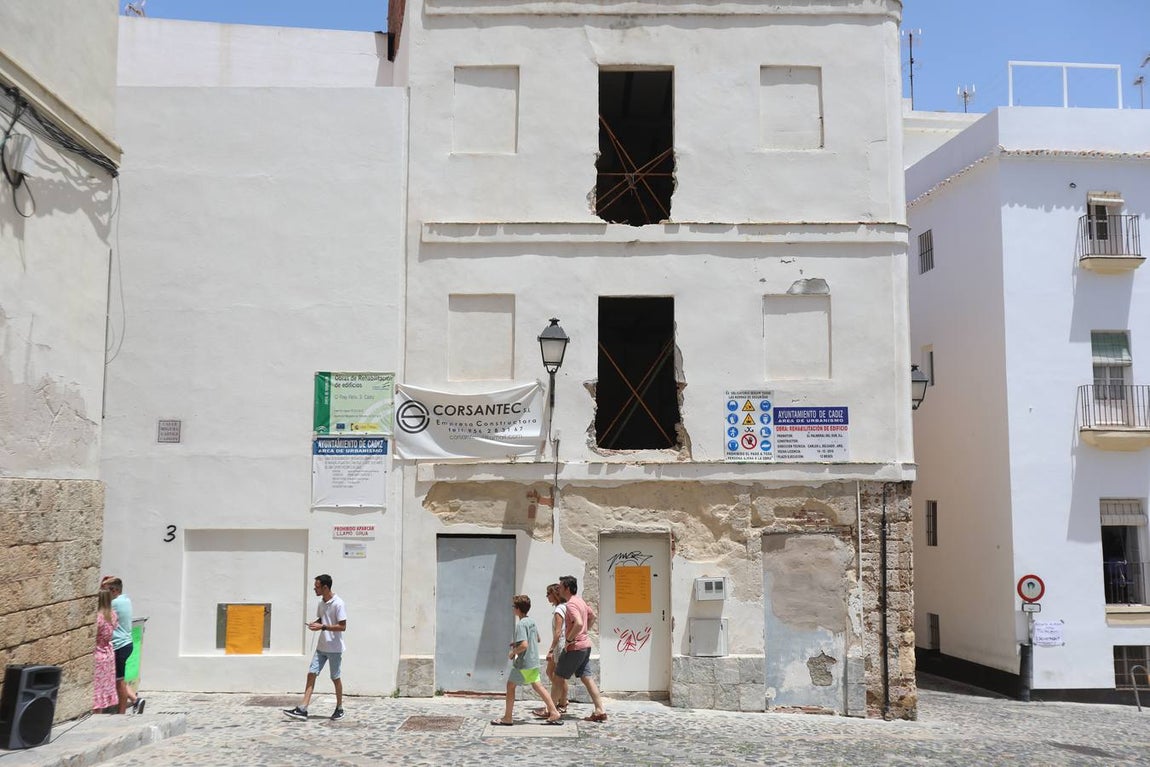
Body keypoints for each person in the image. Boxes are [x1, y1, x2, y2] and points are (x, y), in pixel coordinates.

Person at [283, 574, 348, 721]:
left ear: (325, 587)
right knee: (311, 674)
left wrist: (323, 626)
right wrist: (316, 624)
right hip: (321, 647)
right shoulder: (321, 603)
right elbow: (322, 619)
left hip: (335, 648)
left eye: (317, 586)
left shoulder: (339, 603)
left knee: (335, 677)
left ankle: (339, 708)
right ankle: (303, 708)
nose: (314, 589)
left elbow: (343, 626)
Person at [491, 595, 562, 726]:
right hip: (533, 660)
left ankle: (507, 718)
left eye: (514, 607)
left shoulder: (521, 624)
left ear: (518, 609)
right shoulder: (531, 622)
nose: (513, 609)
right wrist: (516, 644)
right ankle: (554, 712)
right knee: (538, 686)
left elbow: (524, 645)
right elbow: (537, 639)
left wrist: (513, 652)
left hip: (524, 663)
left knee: (510, 686)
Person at [554, 575, 607, 722]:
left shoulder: (570, 604)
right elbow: (593, 616)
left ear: (567, 588)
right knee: (587, 678)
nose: (558, 589)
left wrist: (570, 639)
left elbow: (577, 623)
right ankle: (599, 710)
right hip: (585, 646)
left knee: (558, 677)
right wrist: (585, 632)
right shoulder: (581, 601)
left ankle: (551, 710)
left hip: (575, 647)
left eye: (560, 586)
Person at [102, 577, 143, 714]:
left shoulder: (114, 603)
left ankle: (121, 713)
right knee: (118, 679)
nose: (103, 593)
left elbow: (98, 610)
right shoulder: (125, 600)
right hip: (126, 643)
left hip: (119, 646)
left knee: (119, 681)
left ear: (115, 590)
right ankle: (134, 699)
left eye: (106, 590)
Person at [532, 583, 567, 718]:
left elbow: (558, 632)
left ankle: (558, 705)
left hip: (559, 645)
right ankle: (563, 701)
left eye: (548, 594)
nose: (547, 596)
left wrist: (551, 649)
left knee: (558, 676)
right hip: (561, 645)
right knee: (551, 672)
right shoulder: (563, 608)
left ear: (555, 594)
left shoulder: (559, 610)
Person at [92, 588, 118, 713]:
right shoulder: (112, 615)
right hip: (108, 654)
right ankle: (100, 714)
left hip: (98, 653)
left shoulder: (98, 618)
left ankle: (95, 715)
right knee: (103, 687)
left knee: (96, 688)